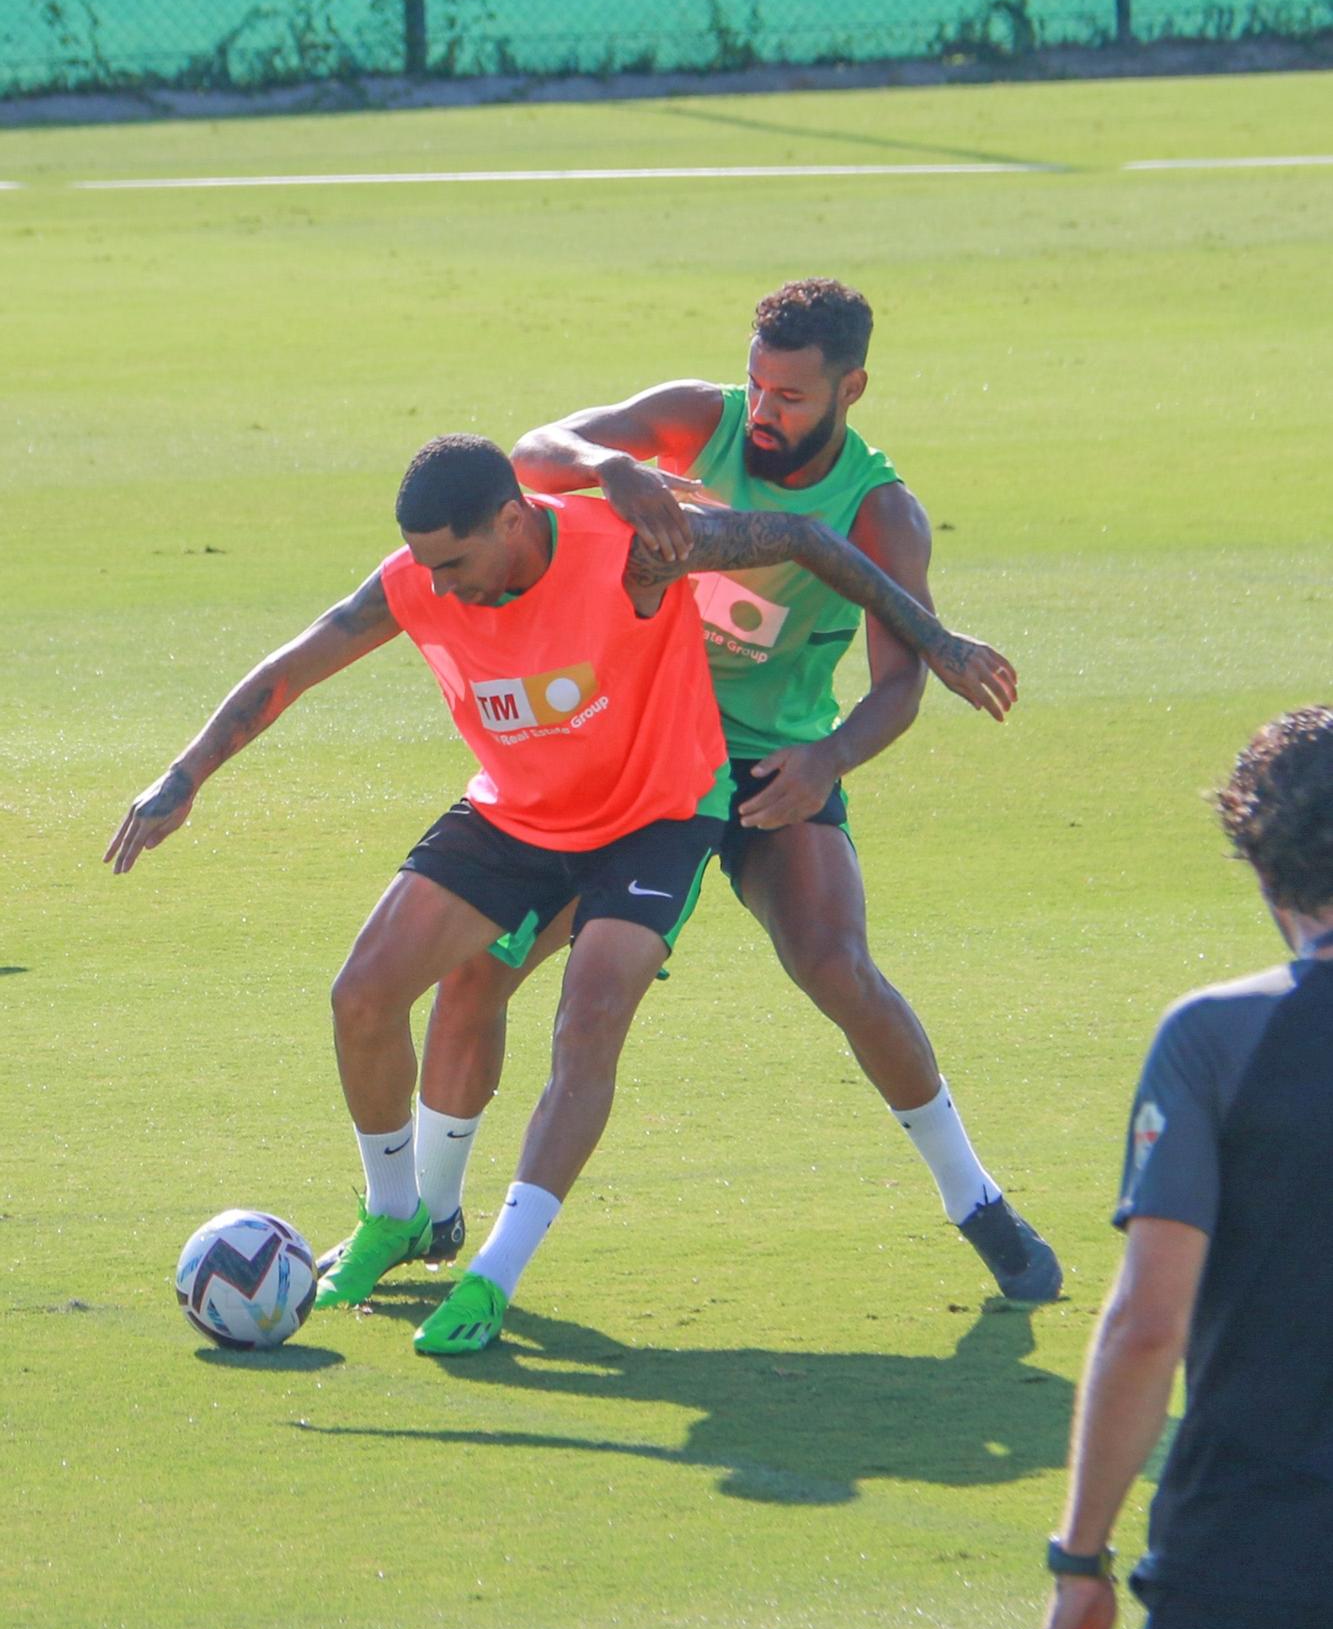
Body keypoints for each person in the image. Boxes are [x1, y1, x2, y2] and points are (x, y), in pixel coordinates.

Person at [106, 432, 1016, 1355]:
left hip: (657, 816)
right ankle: (396, 1216)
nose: (442, 586)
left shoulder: (634, 549)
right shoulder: (417, 579)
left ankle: (495, 1272)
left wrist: (932, 639)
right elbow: (289, 670)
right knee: (364, 992)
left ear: (511, 519)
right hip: (519, 814)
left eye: (455, 561)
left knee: (586, 1026)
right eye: (427, 565)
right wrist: (183, 777)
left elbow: (804, 541)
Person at [412, 278, 1061, 1302]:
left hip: (767, 765)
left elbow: (899, 686)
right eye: (758, 383)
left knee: (836, 965)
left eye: (793, 397)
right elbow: (532, 451)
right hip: (626, 760)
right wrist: (615, 468)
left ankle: (974, 1198)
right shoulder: (696, 419)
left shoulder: (880, 511)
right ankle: (429, 1213)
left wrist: (826, 764)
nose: (763, 410)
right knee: (480, 970)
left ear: (852, 387)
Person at [1043, 705, 1333, 1629]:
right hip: (1252, 1537)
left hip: (1250, 1539)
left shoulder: (1216, 1037)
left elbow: (1144, 1325)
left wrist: (1079, 1554)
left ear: (1259, 856)